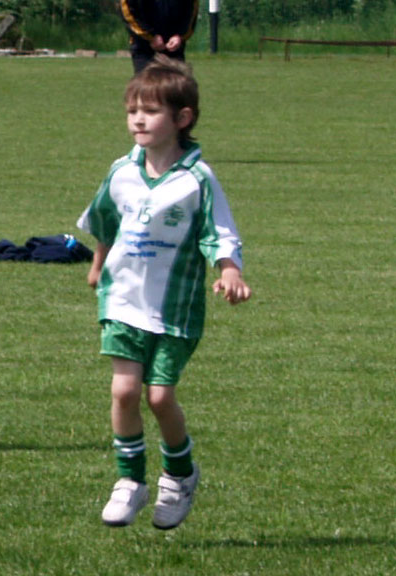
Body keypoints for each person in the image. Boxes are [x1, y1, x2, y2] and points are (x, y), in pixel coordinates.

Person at [77, 55, 251, 530]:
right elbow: (104, 223)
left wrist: (229, 270)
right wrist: (97, 267)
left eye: (150, 111)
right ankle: (130, 481)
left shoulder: (197, 179)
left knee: (158, 398)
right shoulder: (121, 172)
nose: (137, 118)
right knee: (125, 389)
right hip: (122, 300)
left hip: (175, 309)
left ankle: (179, 475)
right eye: (132, 109)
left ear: (182, 118)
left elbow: (219, 231)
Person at [120, 0, 199, 73]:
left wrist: (180, 35)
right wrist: (150, 36)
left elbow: (191, 9)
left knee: (177, 85)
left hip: (174, 46)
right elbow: (128, 11)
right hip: (143, 45)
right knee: (147, 85)